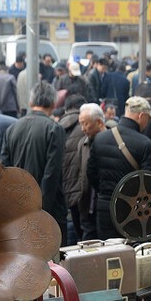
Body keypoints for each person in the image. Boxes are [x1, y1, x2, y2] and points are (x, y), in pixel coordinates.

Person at [4, 82, 68, 241]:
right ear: (53, 104)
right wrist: (41, 208)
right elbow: (52, 173)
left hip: (18, 207)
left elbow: (4, 169)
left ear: (31, 102)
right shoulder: (54, 129)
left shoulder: (12, 128)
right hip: (49, 209)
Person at [88, 98, 151, 240]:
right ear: (141, 115)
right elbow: (149, 183)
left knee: (109, 250)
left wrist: (104, 191)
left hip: (105, 206)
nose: (148, 123)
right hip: (134, 209)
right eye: (148, 118)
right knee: (135, 250)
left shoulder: (99, 139)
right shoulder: (144, 143)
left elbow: (91, 173)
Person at [64, 101, 104, 242]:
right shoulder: (83, 144)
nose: (82, 128)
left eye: (85, 124)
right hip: (87, 205)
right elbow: (81, 174)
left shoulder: (112, 140)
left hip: (105, 204)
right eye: (81, 124)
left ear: (99, 122)